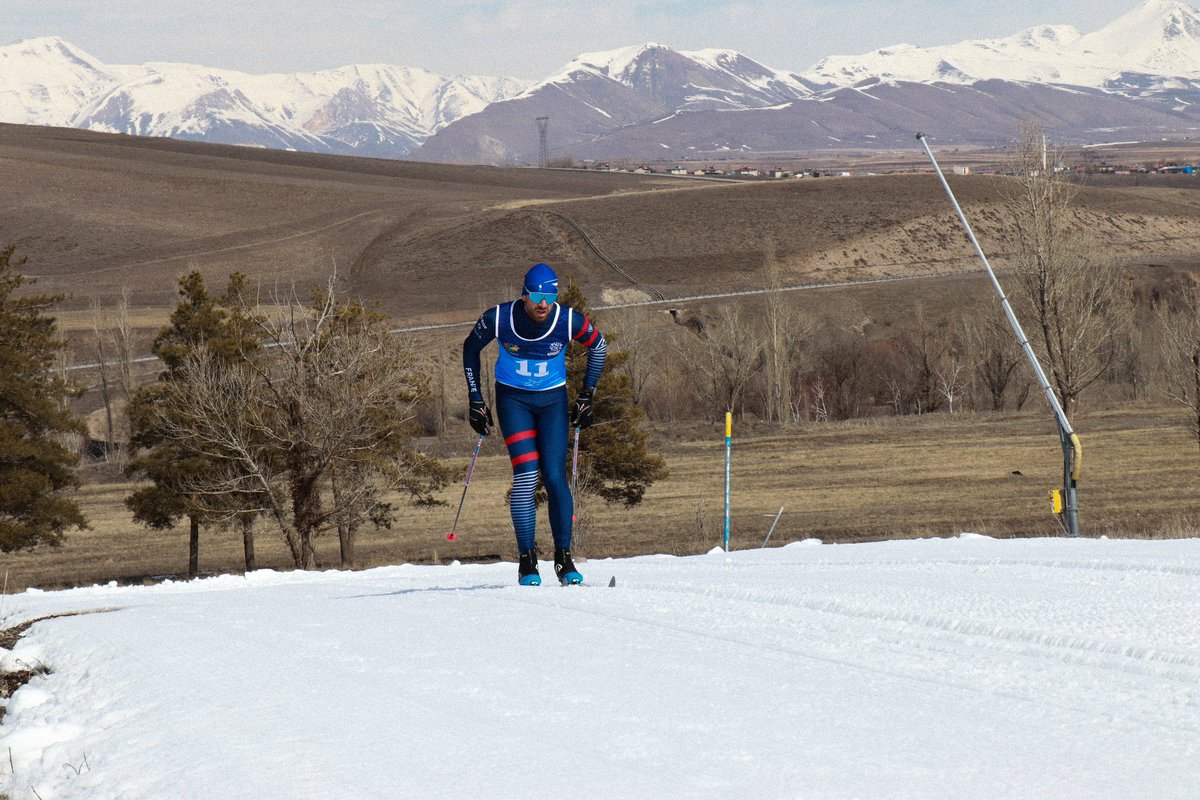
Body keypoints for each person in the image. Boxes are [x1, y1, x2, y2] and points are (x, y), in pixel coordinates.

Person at [462, 262, 607, 586]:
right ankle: (527, 560)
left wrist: (587, 395)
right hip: (514, 402)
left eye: (550, 295)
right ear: (524, 295)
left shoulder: (567, 320)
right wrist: (475, 399)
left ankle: (563, 558)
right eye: (537, 295)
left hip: (552, 403)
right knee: (527, 475)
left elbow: (599, 345)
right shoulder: (499, 318)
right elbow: (470, 348)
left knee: (555, 477)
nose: (544, 303)